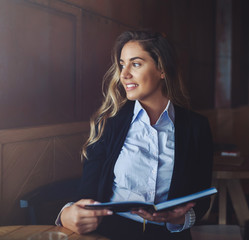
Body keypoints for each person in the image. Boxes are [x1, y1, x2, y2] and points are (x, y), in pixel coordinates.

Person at [56, 30, 213, 240]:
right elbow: (87, 194)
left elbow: (201, 200)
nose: (124, 74)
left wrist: (179, 218)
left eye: (136, 64)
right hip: (111, 234)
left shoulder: (197, 127)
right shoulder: (108, 123)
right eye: (122, 64)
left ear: (162, 70)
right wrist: (67, 214)